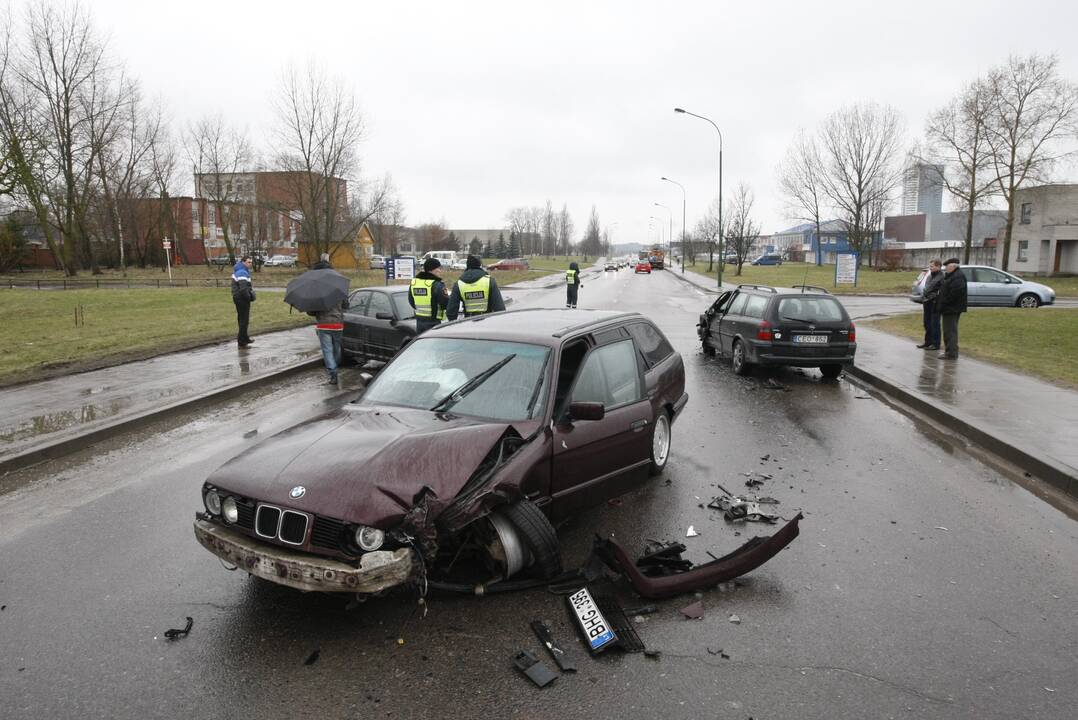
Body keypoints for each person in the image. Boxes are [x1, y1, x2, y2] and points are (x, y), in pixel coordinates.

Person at [446, 255, 505, 320]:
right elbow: (500, 308)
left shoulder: (459, 284)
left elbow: (451, 311)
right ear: (480, 266)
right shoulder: (489, 281)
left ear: (467, 266)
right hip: (487, 323)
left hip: (467, 323)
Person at [310, 296, 348, 385]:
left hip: (324, 325)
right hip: (338, 324)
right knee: (337, 349)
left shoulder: (318, 296)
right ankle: (335, 365)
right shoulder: (339, 293)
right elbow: (346, 306)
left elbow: (311, 312)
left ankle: (333, 372)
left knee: (327, 350)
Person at [936, 257, 967, 360]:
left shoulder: (958, 277)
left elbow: (955, 293)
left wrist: (944, 302)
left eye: (947, 267)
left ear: (953, 266)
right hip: (949, 308)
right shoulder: (952, 275)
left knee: (950, 332)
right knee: (948, 331)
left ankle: (951, 353)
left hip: (951, 309)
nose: (945, 269)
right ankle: (949, 352)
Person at [409, 258, 449, 334]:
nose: (440, 271)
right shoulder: (437, 285)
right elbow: (445, 303)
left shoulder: (414, 283)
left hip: (419, 323)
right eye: (438, 268)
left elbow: (411, 301)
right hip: (433, 323)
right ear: (431, 270)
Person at [916, 259, 944, 350]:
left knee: (935, 323)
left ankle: (936, 344)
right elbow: (926, 288)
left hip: (935, 302)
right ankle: (928, 342)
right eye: (930, 266)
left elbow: (940, 291)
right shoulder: (929, 276)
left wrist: (933, 296)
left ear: (938, 267)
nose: (930, 268)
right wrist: (925, 296)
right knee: (926, 323)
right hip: (927, 301)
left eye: (932, 266)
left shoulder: (941, 277)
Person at [231, 256, 255, 347]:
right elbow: (243, 288)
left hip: (239, 298)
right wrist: (249, 297)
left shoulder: (241, 270)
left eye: (251, 262)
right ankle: (242, 340)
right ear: (243, 262)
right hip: (242, 299)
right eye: (249, 262)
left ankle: (244, 337)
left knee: (242, 319)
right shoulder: (242, 272)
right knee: (244, 320)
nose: (250, 264)